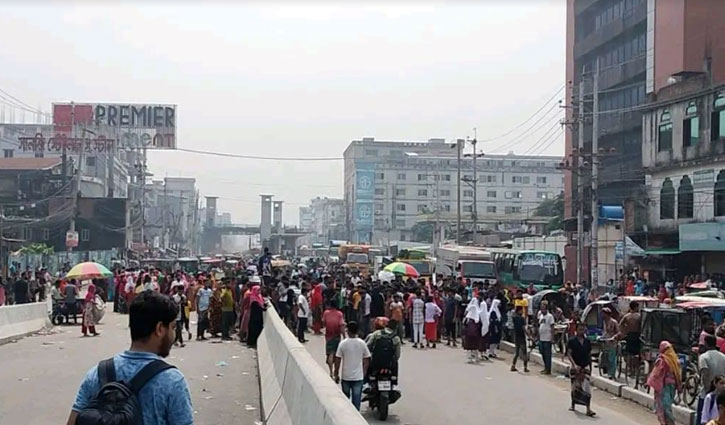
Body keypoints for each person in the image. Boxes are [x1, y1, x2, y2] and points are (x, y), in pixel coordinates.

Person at [66, 291, 193, 425]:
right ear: (160, 329)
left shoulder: (96, 374)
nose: (173, 335)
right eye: (172, 327)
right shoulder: (172, 381)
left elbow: (72, 421)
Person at [334, 321, 371, 411]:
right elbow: (367, 358)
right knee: (356, 403)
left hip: (346, 377)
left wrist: (336, 373)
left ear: (347, 331)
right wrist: (364, 372)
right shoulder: (362, 343)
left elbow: (338, 359)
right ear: (357, 331)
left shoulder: (343, 343)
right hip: (358, 377)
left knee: (345, 402)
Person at [647, 341, 683, 425]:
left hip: (663, 386)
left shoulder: (662, 360)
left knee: (664, 406)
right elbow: (679, 375)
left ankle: (669, 422)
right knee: (667, 405)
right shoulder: (675, 360)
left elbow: (656, 373)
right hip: (672, 387)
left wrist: (650, 382)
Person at [567, 323, 595, 417]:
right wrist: (574, 365)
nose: (581, 331)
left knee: (587, 389)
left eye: (583, 329)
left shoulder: (587, 341)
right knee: (575, 387)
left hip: (585, 366)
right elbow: (569, 354)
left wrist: (590, 367)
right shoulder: (572, 341)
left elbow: (589, 355)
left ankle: (588, 409)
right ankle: (573, 404)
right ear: (576, 330)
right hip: (575, 367)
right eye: (580, 329)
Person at [700, 336, 725, 424]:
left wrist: (708, 390)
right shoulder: (723, 357)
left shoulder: (703, 357)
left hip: (706, 393)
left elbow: (704, 374)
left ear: (706, 344)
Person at [323, 300, 345, 377]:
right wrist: (344, 336)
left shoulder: (326, 313)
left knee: (330, 354)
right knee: (336, 354)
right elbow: (341, 325)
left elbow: (324, 322)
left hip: (328, 336)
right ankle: (336, 372)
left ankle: (331, 372)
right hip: (336, 336)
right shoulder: (339, 314)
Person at [601, 307, 619, 380]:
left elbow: (618, 332)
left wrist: (614, 337)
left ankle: (612, 374)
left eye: (603, 314)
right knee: (605, 357)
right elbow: (604, 332)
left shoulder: (614, 322)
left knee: (612, 359)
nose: (602, 315)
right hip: (605, 341)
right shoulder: (604, 322)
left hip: (612, 342)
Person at [538, 302, 555, 375]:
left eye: (543, 309)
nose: (542, 310)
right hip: (541, 338)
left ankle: (548, 369)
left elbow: (552, 327)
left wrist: (552, 338)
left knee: (547, 355)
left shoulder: (550, 316)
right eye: (541, 309)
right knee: (542, 353)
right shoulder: (541, 316)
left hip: (547, 338)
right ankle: (545, 367)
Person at [510, 306, 529, 372]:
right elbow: (524, 328)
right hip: (521, 336)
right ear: (519, 311)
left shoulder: (514, 318)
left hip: (516, 336)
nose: (522, 311)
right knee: (524, 353)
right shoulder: (521, 319)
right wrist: (529, 336)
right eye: (521, 310)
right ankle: (525, 367)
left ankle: (513, 365)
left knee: (516, 353)